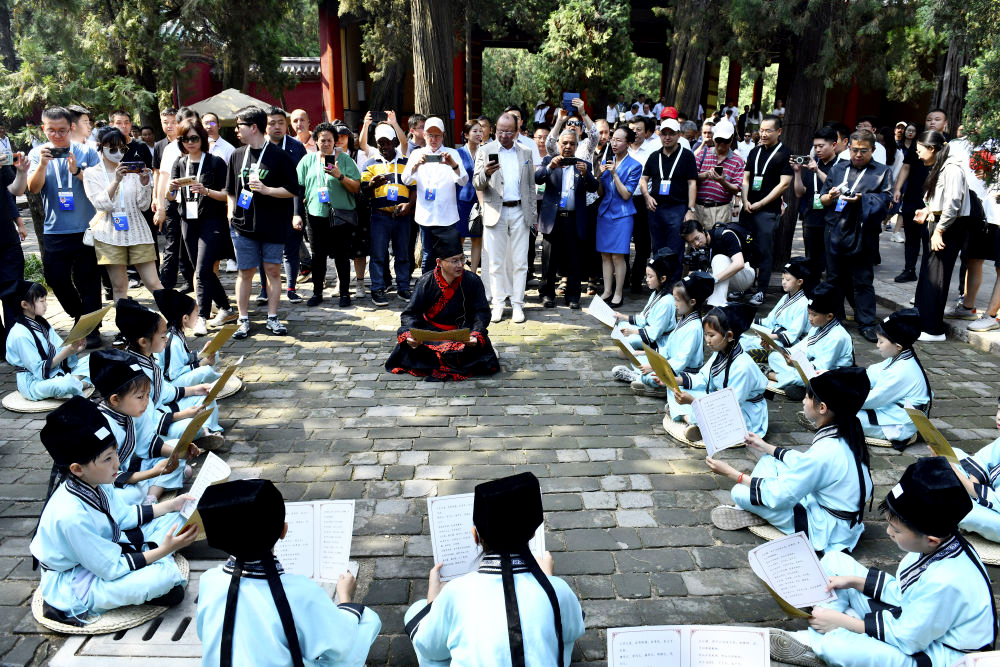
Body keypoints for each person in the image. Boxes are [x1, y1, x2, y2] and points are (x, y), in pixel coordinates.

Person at [770, 457, 996, 667]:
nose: (888, 532)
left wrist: (843, 622)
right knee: (834, 560)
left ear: (931, 539)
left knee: (837, 646)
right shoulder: (940, 544)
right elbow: (902, 595)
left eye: (896, 529)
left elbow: (908, 639)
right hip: (916, 622)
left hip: (941, 655)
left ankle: (818, 639)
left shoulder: (946, 581)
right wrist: (853, 582)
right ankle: (829, 620)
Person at [29, 396, 197, 626]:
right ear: (77, 469)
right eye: (108, 459)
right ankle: (159, 558)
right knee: (163, 578)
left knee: (180, 517)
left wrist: (171, 505)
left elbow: (124, 517)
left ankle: (157, 555)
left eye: (115, 453)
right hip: (76, 579)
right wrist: (165, 549)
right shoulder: (71, 516)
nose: (118, 464)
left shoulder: (96, 481)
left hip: (106, 552)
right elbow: (111, 568)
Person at [404, 472, 585, 666]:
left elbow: (429, 648)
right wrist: (548, 579)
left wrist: (434, 601)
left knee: (416, 611)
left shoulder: (455, 592)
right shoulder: (559, 590)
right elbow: (574, 629)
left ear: (476, 536)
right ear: (533, 533)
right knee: (561, 633)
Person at [196, 479, 381, 666]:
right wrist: (345, 598)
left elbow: (205, 634)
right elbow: (342, 646)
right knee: (366, 620)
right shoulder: (301, 592)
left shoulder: (209, 581)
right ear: (284, 531)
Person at [707, 366, 873, 554]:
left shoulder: (826, 451)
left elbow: (780, 495)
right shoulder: (847, 434)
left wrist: (733, 474)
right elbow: (805, 464)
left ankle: (753, 509)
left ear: (822, 407)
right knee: (770, 460)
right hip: (836, 513)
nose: (803, 400)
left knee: (739, 492)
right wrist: (766, 447)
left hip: (825, 529)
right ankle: (758, 508)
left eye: (808, 396)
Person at [26, 106, 103, 349]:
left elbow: (100, 183)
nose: (57, 136)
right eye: (51, 131)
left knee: (89, 281)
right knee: (55, 278)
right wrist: (42, 166)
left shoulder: (86, 151)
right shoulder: (37, 153)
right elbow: (34, 188)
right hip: (54, 230)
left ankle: (91, 330)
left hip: (85, 228)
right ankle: (80, 316)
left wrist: (77, 172)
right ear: (43, 129)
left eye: (62, 130)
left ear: (71, 128)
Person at [385, 229, 500, 381]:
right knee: (407, 343)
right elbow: (410, 314)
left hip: (462, 334)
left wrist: (474, 335)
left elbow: (481, 312)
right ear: (439, 262)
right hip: (431, 333)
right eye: (454, 261)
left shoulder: (472, 280)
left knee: (482, 353)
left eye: (462, 259)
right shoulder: (425, 282)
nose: (460, 265)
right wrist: (413, 336)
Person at [90, 348, 198, 505]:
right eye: (140, 397)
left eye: (148, 395)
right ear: (115, 400)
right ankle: (153, 490)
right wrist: (152, 473)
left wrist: (181, 451)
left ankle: (151, 497)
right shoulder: (102, 426)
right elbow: (104, 476)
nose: (146, 402)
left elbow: (147, 443)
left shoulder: (131, 411)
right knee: (128, 495)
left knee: (175, 450)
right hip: (110, 481)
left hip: (130, 468)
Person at [225, 106, 297, 339]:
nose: (236, 130)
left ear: (253, 127)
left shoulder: (280, 156)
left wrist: (267, 190)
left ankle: (273, 318)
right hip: (243, 225)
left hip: (273, 224)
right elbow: (231, 190)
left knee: (272, 271)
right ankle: (243, 320)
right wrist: (231, 213)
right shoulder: (237, 155)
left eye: (240, 126)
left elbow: (292, 191)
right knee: (245, 272)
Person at [820, 129, 893, 343]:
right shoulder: (839, 168)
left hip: (864, 232)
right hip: (835, 229)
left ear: (873, 150)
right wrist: (830, 196)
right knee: (834, 278)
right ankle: (836, 320)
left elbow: (887, 202)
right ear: (848, 148)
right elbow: (822, 199)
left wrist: (863, 200)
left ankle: (867, 323)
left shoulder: (882, 171)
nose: (858, 155)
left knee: (862, 279)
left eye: (863, 151)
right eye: (854, 150)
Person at [166, 116, 234, 335]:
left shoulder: (215, 162)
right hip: (187, 219)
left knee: (202, 270)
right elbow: (170, 196)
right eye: (185, 139)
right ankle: (225, 307)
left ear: (202, 138)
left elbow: (227, 195)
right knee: (202, 270)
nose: (190, 142)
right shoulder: (180, 162)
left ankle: (202, 317)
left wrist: (205, 191)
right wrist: (172, 188)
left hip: (212, 220)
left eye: (194, 138)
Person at [82, 127, 161, 310]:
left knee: (154, 283)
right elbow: (101, 204)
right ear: (101, 147)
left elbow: (142, 205)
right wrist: (116, 180)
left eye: (122, 149)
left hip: (138, 231)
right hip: (109, 234)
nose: (118, 153)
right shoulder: (91, 173)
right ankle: (124, 329)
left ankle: (173, 321)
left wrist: (144, 184)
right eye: (112, 148)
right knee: (119, 286)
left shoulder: (131, 170)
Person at [668, 303, 769, 441]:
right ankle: (693, 421)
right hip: (718, 400)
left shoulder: (743, 367)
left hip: (744, 412)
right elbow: (704, 378)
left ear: (729, 336)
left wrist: (692, 401)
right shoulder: (721, 352)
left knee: (692, 401)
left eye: (711, 335)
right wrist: (676, 380)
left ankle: (692, 421)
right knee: (675, 388)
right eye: (705, 335)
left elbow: (730, 407)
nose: (707, 341)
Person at [473, 113, 536, 324]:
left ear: (517, 131)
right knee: (495, 262)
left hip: (519, 211)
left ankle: (518, 303)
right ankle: (498, 304)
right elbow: (476, 183)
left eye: (509, 131)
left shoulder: (526, 152)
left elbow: (530, 186)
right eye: (500, 131)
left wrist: (532, 214)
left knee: (520, 262)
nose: (504, 135)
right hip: (495, 211)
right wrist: (485, 173)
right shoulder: (485, 150)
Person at [294, 121, 361, 308]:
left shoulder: (345, 159)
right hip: (316, 215)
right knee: (318, 255)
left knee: (341, 255)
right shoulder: (307, 161)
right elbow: (298, 189)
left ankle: (345, 294)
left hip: (340, 215)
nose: (326, 144)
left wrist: (339, 175)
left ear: (335, 142)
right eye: (322, 140)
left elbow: (356, 187)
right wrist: (297, 213)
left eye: (329, 140)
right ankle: (317, 292)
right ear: (316, 141)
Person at [912, 130, 970, 342]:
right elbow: (939, 199)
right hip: (937, 223)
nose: (918, 155)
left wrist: (939, 230)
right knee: (928, 276)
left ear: (932, 149)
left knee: (936, 278)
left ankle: (934, 329)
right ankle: (921, 322)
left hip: (948, 228)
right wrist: (927, 210)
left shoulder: (952, 168)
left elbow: (953, 205)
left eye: (920, 151)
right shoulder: (939, 165)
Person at [535, 130, 599, 310]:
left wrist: (587, 174)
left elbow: (594, 187)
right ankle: (547, 294)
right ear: (559, 145)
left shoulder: (583, 164)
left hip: (574, 218)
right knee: (549, 260)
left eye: (572, 143)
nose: (568, 147)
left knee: (574, 259)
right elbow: (537, 178)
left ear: (577, 146)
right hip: (552, 219)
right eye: (564, 143)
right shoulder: (550, 161)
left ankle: (573, 296)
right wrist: (550, 168)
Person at [400, 117, 468, 273]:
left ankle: (448, 291)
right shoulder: (417, 153)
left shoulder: (451, 153)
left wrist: (453, 165)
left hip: (447, 215)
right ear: (424, 135)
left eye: (437, 135)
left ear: (443, 135)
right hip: (426, 214)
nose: (433, 139)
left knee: (449, 255)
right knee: (428, 256)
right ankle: (428, 290)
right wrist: (416, 165)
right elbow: (405, 179)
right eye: (430, 135)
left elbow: (464, 181)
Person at [630, 271, 714, 397]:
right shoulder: (685, 319)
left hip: (682, 372)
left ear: (692, 302)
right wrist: (645, 354)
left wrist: (653, 367)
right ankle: (642, 379)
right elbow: (669, 350)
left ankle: (653, 386)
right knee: (639, 360)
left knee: (649, 376)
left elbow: (681, 361)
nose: (674, 304)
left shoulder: (694, 327)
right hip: (670, 364)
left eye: (677, 300)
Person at [858, 308, 932, 450]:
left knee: (840, 415)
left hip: (898, 424)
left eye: (881, 341)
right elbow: (871, 373)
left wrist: (840, 398)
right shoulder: (901, 356)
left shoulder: (902, 370)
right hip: (890, 411)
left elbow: (873, 399)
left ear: (898, 346)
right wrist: (839, 378)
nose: (877, 345)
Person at [767, 282, 854, 397]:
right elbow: (801, 348)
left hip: (828, 374)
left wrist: (797, 364)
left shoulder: (838, 337)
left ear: (829, 316)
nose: (810, 319)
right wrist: (782, 352)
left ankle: (773, 376)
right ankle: (799, 385)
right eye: (808, 314)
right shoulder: (817, 327)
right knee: (774, 356)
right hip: (808, 366)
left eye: (814, 315)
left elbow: (821, 367)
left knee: (809, 378)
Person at [360, 123, 414, 307]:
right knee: (377, 255)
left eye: (386, 142)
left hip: (402, 216)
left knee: (403, 254)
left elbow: (414, 188)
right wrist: (373, 185)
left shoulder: (407, 162)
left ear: (394, 142)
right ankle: (377, 289)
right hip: (379, 216)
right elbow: (363, 192)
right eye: (379, 143)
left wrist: (410, 205)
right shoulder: (370, 164)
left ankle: (403, 287)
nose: (383, 147)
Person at [893, 109, 950, 283]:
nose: (932, 122)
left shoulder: (949, 146)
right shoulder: (919, 143)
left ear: (945, 123)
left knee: (929, 236)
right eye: (929, 119)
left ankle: (929, 273)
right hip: (914, 195)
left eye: (937, 119)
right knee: (911, 235)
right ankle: (909, 269)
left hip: (935, 200)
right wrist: (898, 188)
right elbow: (906, 167)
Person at [741, 115, 792, 306]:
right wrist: (745, 200)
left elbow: (784, 185)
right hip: (748, 208)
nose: (763, 134)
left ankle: (761, 290)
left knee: (764, 250)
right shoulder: (754, 152)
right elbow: (746, 179)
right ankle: (743, 286)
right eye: (761, 130)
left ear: (778, 132)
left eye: (767, 130)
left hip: (767, 211)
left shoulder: (785, 153)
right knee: (746, 249)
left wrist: (760, 203)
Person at [5, 280, 88, 399]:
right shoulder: (20, 334)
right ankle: (79, 383)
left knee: (96, 359)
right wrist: (68, 351)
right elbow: (38, 371)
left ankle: (75, 383)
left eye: (45, 300)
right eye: (41, 301)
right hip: (34, 381)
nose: (46, 305)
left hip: (56, 370)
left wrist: (76, 349)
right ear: (25, 305)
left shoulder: (42, 324)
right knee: (63, 384)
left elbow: (60, 349)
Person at [640, 118, 698, 283]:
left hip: (677, 208)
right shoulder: (654, 156)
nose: (667, 137)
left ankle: (673, 287)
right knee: (657, 249)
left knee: (675, 249)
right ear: (659, 135)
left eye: (671, 134)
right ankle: (658, 285)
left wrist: (690, 209)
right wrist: (647, 196)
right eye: (664, 133)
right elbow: (643, 180)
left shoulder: (687, 156)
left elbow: (692, 183)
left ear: (678, 135)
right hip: (656, 208)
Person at [609, 250, 678, 383]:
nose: (646, 280)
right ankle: (632, 352)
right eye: (646, 276)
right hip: (647, 332)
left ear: (663, 278)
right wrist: (623, 317)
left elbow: (654, 333)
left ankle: (637, 371)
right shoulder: (656, 294)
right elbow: (643, 318)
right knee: (622, 326)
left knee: (630, 342)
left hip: (659, 341)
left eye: (650, 276)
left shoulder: (667, 301)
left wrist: (632, 332)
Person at [595, 126, 642, 305]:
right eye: (613, 139)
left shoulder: (635, 166)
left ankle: (619, 292)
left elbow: (626, 194)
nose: (614, 143)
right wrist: (599, 176)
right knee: (605, 254)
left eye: (619, 140)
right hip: (605, 213)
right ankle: (607, 291)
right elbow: (601, 193)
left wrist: (614, 173)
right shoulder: (607, 161)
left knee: (618, 255)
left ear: (629, 144)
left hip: (623, 215)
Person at [153, 108, 195, 294]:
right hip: (176, 202)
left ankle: (194, 281)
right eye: (185, 123)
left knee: (193, 246)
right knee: (172, 244)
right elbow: (162, 178)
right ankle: (166, 285)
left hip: (200, 204)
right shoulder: (170, 149)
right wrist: (160, 206)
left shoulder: (205, 145)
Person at [741, 257, 812, 362]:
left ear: (799, 281)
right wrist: (752, 321)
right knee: (742, 337)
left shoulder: (803, 304)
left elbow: (792, 335)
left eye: (788, 280)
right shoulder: (785, 297)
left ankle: (771, 352)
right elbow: (770, 320)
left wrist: (770, 337)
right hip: (775, 333)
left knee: (754, 343)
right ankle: (766, 350)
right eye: (782, 279)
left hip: (789, 341)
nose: (783, 282)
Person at [793, 127, 840, 275]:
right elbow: (799, 192)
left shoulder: (841, 166)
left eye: (821, 146)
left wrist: (817, 171)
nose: (818, 150)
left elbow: (837, 189)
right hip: (811, 219)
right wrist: (797, 172)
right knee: (811, 262)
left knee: (831, 264)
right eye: (815, 147)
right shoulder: (811, 164)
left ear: (833, 145)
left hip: (832, 220)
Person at [153, 288, 221, 387]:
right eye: (196, 313)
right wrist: (200, 364)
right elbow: (174, 374)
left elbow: (184, 359)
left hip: (179, 375)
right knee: (205, 371)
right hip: (170, 384)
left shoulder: (178, 332)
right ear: (185, 318)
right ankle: (212, 380)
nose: (198, 317)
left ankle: (211, 378)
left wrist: (201, 355)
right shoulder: (173, 342)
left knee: (214, 353)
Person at [681, 219, 755, 307]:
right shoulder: (695, 248)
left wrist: (713, 280)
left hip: (745, 276)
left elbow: (739, 264)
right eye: (691, 242)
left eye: (697, 238)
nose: (696, 243)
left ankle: (717, 306)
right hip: (723, 280)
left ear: (703, 230)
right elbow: (692, 274)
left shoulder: (725, 235)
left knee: (718, 259)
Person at [0, 142, 29, 346]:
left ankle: (14, 345)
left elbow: (15, 192)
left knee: (12, 293)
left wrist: (21, 172)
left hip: (6, 241)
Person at [627, 115, 660, 293]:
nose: (635, 132)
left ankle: (636, 279)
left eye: (638, 129)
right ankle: (623, 278)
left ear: (647, 132)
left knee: (642, 242)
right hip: (622, 199)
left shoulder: (652, 151)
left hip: (642, 199)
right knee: (622, 240)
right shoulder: (621, 148)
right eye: (631, 129)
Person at [693, 119, 744, 229]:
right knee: (695, 244)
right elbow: (691, 177)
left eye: (725, 140)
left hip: (721, 209)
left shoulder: (737, 161)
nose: (721, 144)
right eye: (718, 140)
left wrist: (722, 181)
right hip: (698, 207)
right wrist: (705, 175)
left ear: (731, 140)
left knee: (718, 244)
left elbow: (736, 189)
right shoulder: (703, 154)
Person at [456, 119, 484, 276]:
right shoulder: (458, 153)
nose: (478, 134)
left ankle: (473, 273)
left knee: (477, 237)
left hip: (480, 200)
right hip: (461, 200)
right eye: (474, 131)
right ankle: (458, 270)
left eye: (480, 131)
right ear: (466, 135)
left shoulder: (485, 151)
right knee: (459, 238)